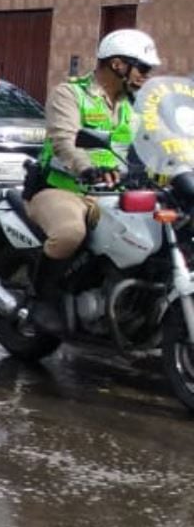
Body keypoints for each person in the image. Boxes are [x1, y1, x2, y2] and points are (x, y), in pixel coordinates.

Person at [25, 28, 159, 334]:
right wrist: (86, 168)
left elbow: (157, 142)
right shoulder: (71, 94)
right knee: (70, 232)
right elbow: (64, 141)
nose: (146, 76)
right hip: (63, 188)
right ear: (117, 64)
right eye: (143, 68)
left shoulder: (133, 105)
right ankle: (41, 299)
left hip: (112, 193)